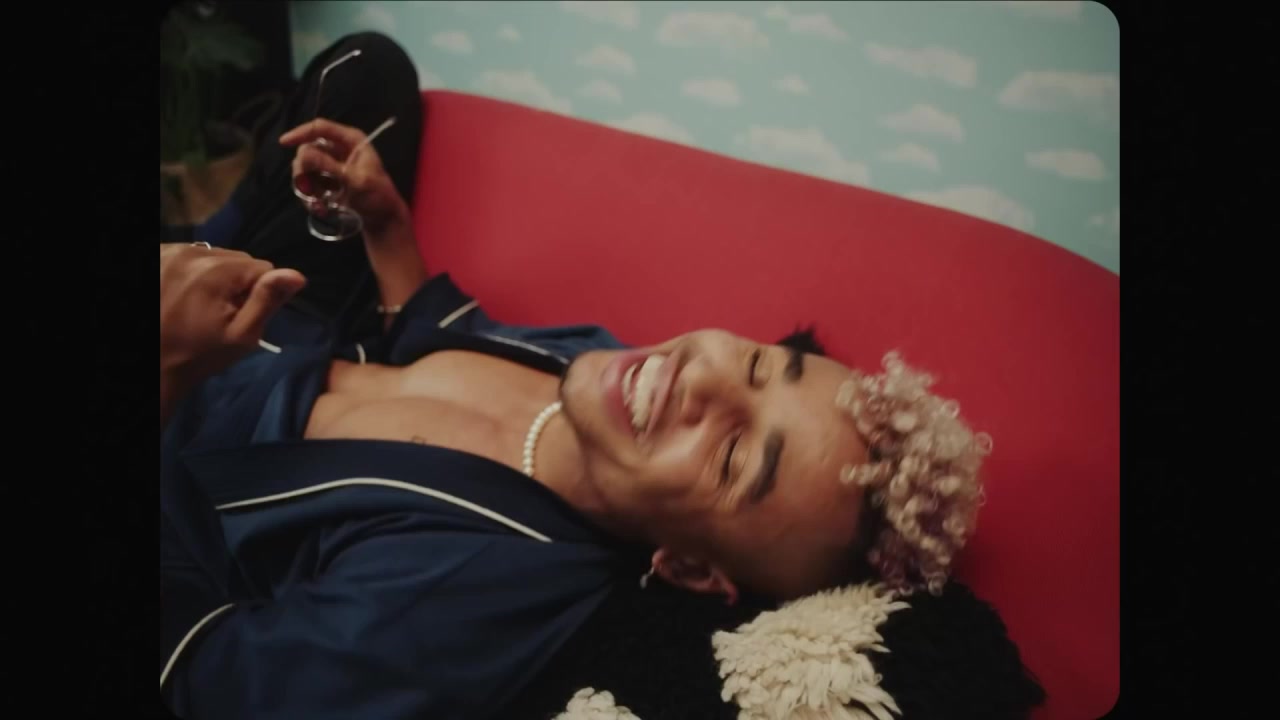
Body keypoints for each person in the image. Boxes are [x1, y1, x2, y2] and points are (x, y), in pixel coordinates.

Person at [160, 32, 992, 720]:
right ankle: (203, 245)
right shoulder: (596, 371)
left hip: (187, 419)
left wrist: (165, 369)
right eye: (756, 362)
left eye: (734, 455)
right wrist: (385, 224)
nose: (699, 381)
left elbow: (206, 676)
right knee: (369, 70)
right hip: (301, 327)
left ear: (688, 567)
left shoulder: (470, 592)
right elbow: (441, 336)